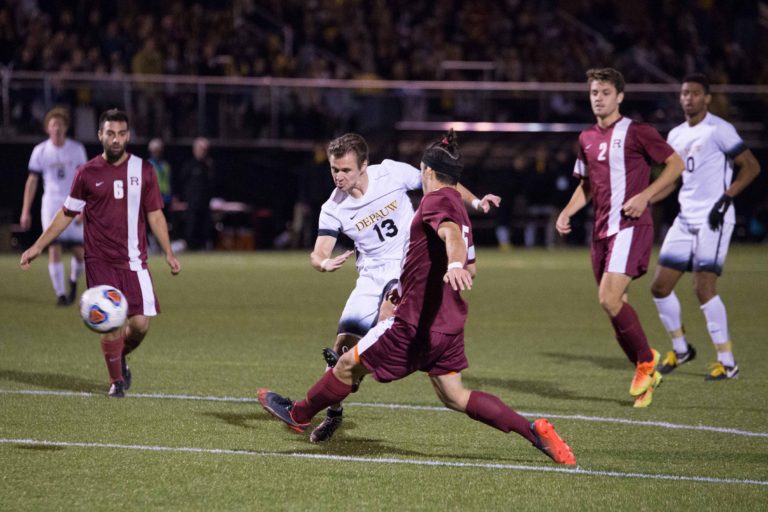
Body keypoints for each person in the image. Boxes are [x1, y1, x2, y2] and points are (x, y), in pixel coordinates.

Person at [258, 132, 576, 466]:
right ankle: (532, 431)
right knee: (456, 396)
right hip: (447, 323)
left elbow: (449, 236)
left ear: (425, 172)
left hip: (411, 323)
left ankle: (299, 413)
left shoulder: (434, 202)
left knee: (346, 364)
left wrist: (449, 264)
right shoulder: (458, 207)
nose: (338, 176)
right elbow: (472, 265)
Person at [307, 132, 501, 443]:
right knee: (341, 345)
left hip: (406, 265)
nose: (339, 176)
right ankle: (334, 413)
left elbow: (441, 182)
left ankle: (372, 361)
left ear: (364, 166)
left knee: (387, 318)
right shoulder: (333, 207)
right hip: (369, 276)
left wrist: (477, 201)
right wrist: (322, 263)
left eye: (345, 170)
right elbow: (319, 251)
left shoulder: (390, 173)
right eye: (334, 169)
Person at [20, 108, 181, 398]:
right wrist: (37, 246)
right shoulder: (86, 172)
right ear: (100, 135)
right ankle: (116, 381)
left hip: (134, 261)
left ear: (128, 136)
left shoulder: (144, 171)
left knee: (141, 325)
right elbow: (66, 213)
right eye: (110, 133)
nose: (116, 139)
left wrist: (169, 252)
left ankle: (120, 358)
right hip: (100, 261)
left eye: (121, 133)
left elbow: (155, 214)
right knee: (112, 320)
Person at [555, 68, 685, 408]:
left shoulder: (637, 131)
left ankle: (645, 361)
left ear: (620, 97)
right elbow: (585, 185)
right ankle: (646, 379)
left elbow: (675, 165)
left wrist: (646, 196)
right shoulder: (585, 138)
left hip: (629, 226)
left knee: (608, 299)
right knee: (616, 308)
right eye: (594, 92)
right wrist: (567, 211)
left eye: (605, 92)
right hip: (600, 232)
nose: (598, 97)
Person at [649, 74, 761, 381]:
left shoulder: (719, 129)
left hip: (714, 217)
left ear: (707, 98)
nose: (688, 98)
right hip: (685, 219)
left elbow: (751, 166)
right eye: (684, 93)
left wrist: (726, 199)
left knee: (703, 287)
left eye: (695, 93)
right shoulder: (675, 135)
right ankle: (681, 349)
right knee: (659, 287)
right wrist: (646, 200)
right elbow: (671, 181)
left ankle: (727, 363)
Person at [20, 107, 88, 306]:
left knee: (80, 252)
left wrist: (83, 208)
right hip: (50, 203)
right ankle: (61, 295)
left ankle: (74, 281)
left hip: (73, 202)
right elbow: (31, 182)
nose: (56, 128)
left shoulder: (76, 149)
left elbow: (84, 181)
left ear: (66, 127)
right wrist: (25, 211)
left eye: (60, 124)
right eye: (52, 125)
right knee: (54, 247)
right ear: (47, 128)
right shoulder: (40, 151)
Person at [178, 137, 215, 250]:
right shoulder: (189, 166)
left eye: (204, 150)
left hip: (205, 204)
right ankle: (190, 248)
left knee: (205, 229)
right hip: (192, 204)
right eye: (200, 149)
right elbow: (182, 183)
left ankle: (204, 248)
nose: (202, 152)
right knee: (191, 228)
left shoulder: (209, 166)